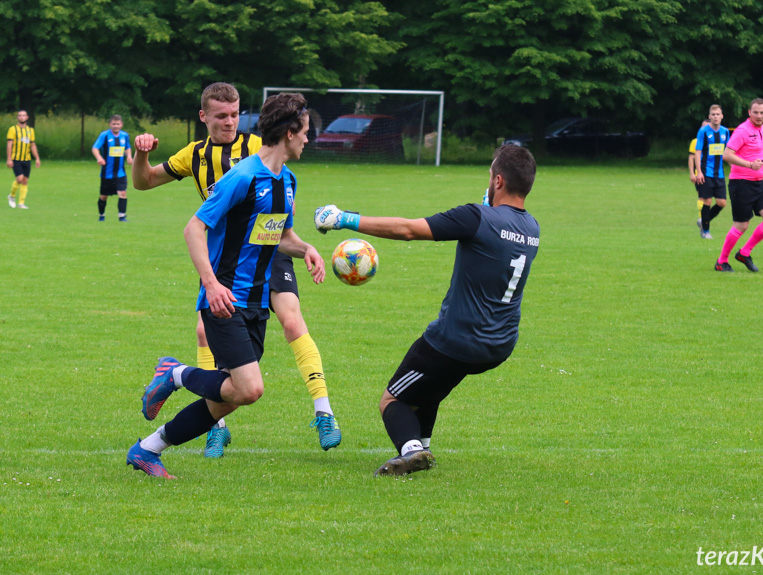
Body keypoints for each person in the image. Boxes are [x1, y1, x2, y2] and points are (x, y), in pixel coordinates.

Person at [132, 83, 341, 457]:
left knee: (231, 396)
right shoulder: (242, 176)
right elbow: (194, 228)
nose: (308, 140)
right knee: (249, 389)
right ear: (290, 134)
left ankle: (149, 448)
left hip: (258, 299)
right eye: (306, 133)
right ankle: (174, 373)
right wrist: (211, 285)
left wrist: (306, 247)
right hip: (227, 295)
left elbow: (278, 234)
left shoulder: (287, 181)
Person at [314, 144, 540, 476]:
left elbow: (407, 230)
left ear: (499, 180)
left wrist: (344, 219)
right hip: (498, 345)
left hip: (457, 339)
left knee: (392, 400)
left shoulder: (476, 217)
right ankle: (423, 444)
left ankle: (411, 451)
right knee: (430, 385)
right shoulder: (532, 228)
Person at [715, 98, 763, 272]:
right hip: (741, 184)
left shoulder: (762, 128)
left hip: (759, 185)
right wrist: (750, 165)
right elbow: (727, 155)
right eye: (755, 112)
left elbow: (756, 154)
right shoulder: (743, 131)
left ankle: (744, 252)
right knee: (741, 226)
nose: (759, 116)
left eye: (762, 112)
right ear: (749, 113)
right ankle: (721, 261)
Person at [694, 106, 730, 239]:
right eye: (713, 114)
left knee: (722, 203)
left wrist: (734, 168)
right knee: (707, 200)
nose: (715, 116)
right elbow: (697, 152)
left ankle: (704, 220)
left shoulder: (725, 132)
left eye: (718, 114)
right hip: (706, 171)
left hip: (719, 173)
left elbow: (728, 153)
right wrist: (699, 172)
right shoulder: (703, 131)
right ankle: (706, 231)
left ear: (722, 116)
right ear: (709, 116)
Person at [92, 115, 134, 222]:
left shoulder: (125, 136)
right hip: (107, 172)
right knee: (103, 196)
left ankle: (122, 216)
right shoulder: (105, 135)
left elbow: (128, 148)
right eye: (114, 124)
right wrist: (99, 158)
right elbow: (95, 148)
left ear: (121, 124)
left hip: (120, 172)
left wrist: (129, 156)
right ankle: (101, 215)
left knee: (122, 193)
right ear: (110, 124)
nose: (116, 126)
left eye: (118, 124)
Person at [6, 110, 41, 210]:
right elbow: (9, 144)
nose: (21, 117)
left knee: (25, 181)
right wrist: (9, 159)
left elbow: (32, 145)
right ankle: (12, 196)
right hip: (16, 158)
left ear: (27, 117)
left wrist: (37, 158)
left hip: (27, 159)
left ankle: (21, 203)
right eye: (20, 116)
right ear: (17, 118)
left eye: (23, 115)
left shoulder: (30, 130)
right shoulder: (13, 129)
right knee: (19, 179)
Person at [688, 120, 709, 233]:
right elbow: (691, 158)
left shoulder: (714, 141)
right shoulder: (695, 141)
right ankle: (702, 219)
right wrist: (692, 173)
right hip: (700, 174)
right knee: (702, 197)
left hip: (713, 174)